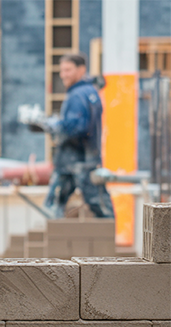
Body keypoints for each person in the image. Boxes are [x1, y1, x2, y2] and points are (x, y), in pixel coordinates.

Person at [40, 53, 114, 219]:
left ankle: (55, 241)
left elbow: (77, 127)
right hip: (86, 160)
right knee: (101, 206)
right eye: (62, 70)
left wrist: (54, 125)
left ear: (81, 69)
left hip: (75, 161)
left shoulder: (77, 95)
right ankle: (108, 239)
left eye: (68, 70)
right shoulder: (90, 92)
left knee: (54, 206)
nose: (63, 74)